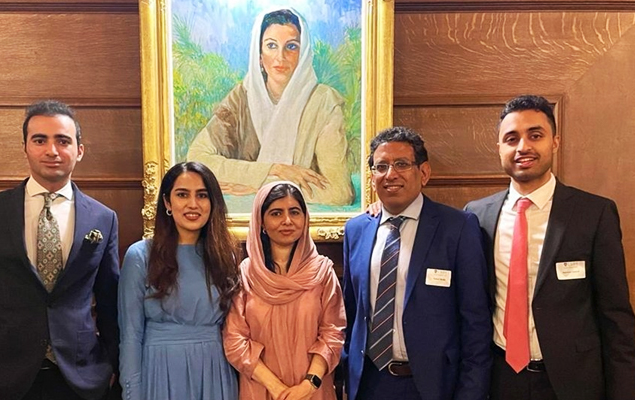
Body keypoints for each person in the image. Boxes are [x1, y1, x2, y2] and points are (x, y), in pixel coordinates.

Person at [0, 100, 120, 400]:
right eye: (40, 140)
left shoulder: (103, 218)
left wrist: (113, 366)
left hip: (82, 380)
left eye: (63, 140)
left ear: (79, 150)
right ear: (25, 147)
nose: (52, 150)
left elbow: (111, 302)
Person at [464, 94, 635, 400]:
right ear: (499, 148)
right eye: (511, 138)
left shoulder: (593, 214)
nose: (523, 147)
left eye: (535, 135)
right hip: (499, 379)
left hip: (573, 382)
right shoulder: (476, 215)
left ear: (555, 142)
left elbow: (616, 317)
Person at [342, 126, 492, 400]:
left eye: (401, 164)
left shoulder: (457, 228)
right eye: (381, 166)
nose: (391, 174)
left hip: (432, 387)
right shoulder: (356, 230)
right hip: (369, 384)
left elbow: (476, 323)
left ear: (424, 173)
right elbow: (351, 313)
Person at [186, 8, 355, 206]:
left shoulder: (324, 102)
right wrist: (274, 169)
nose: (280, 57)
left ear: (304, 54)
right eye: (271, 45)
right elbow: (197, 159)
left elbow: (339, 192)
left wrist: (262, 186)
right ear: (259, 55)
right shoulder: (241, 97)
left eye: (291, 46)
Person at [118, 161, 241, 400]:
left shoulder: (227, 255)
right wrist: (132, 394)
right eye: (182, 194)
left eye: (202, 195)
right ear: (167, 202)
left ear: (212, 202)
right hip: (159, 372)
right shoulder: (140, 256)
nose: (193, 204)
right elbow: (130, 336)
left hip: (216, 371)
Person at [223, 181, 345, 400]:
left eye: (294, 212)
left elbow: (333, 334)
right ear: (261, 222)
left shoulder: (323, 273)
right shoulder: (246, 275)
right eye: (276, 213)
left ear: (304, 218)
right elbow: (234, 340)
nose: (287, 221)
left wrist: (308, 386)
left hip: (312, 392)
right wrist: (277, 388)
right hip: (260, 390)